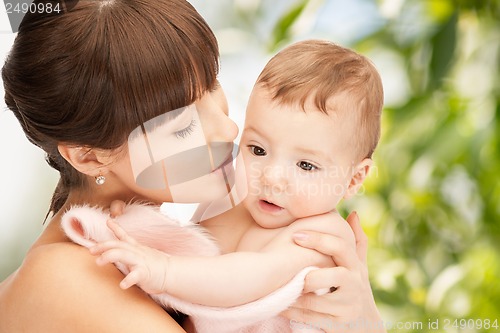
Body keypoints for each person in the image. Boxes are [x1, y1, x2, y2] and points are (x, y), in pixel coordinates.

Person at [0, 1, 381, 332]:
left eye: (212, 85)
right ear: (89, 156)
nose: (227, 128)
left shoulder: (143, 238)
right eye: (183, 126)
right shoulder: (64, 278)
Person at [90, 40, 386, 333]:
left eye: (306, 166)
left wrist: (163, 271)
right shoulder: (229, 194)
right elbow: (190, 253)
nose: (271, 177)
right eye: (258, 149)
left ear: (354, 179)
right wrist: (142, 227)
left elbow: (247, 278)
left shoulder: (319, 236)